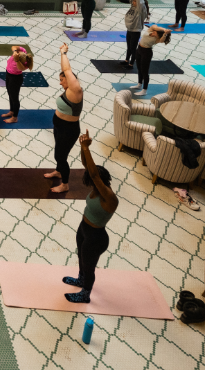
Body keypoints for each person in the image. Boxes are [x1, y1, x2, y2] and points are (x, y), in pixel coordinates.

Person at [63, 129, 117, 303]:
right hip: (84, 229)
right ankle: (80, 279)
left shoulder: (109, 197)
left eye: (94, 180)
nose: (91, 180)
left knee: (89, 266)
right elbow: (89, 168)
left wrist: (87, 148)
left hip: (96, 237)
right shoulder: (96, 189)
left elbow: (93, 174)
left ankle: (86, 293)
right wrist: (82, 147)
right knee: (81, 256)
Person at [47, 43, 83, 193]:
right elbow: (66, 71)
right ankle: (58, 171)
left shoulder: (75, 90)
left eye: (62, 80)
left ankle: (65, 184)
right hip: (60, 126)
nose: (60, 82)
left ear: (70, 80)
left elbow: (67, 70)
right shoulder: (69, 89)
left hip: (69, 130)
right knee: (59, 151)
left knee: (60, 156)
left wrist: (63, 53)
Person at [131, 24, 172, 96]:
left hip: (146, 53)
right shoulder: (152, 29)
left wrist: (165, 33)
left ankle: (144, 90)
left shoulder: (157, 39)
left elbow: (162, 40)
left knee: (145, 71)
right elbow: (156, 27)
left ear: (158, 35)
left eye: (155, 32)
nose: (154, 32)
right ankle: (139, 84)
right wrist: (164, 29)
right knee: (139, 68)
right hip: (139, 49)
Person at [120, 0, 147, 69]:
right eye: (133, 1)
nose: (133, 2)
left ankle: (131, 64)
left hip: (135, 30)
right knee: (129, 47)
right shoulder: (133, 6)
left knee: (133, 47)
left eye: (135, 1)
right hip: (130, 29)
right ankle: (127, 60)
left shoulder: (140, 9)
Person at [2, 46, 32, 123]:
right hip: (8, 74)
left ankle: (15, 117)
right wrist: (15, 51)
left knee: (14, 98)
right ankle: (12, 111)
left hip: (15, 79)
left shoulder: (22, 65)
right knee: (10, 94)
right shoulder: (23, 52)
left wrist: (17, 60)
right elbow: (14, 47)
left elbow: (20, 67)